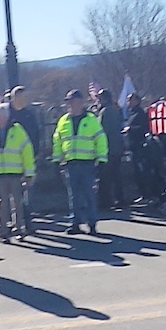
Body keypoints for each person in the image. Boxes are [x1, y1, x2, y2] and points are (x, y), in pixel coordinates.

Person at [0, 102, 36, 242]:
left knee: (17, 202)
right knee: (2, 203)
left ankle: (18, 229)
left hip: (15, 172)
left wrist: (29, 173)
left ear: (5, 117)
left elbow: (27, 152)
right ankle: (2, 232)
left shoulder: (17, 130)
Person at [54, 89, 108, 235]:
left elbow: (101, 139)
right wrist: (56, 159)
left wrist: (101, 159)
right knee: (74, 196)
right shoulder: (63, 121)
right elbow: (58, 141)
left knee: (89, 194)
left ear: (80, 102)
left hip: (87, 163)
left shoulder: (91, 120)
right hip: (70, 163)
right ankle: (75, 223)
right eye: (68, 102)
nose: (70, 105)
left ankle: (92, 223)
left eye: (72, 101)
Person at [8, 86, 45, 236]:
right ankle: (15, 223)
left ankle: (28, 222)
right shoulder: (6, 114)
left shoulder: (29, 115)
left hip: (28, 159)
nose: (25, 100)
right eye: (22, 97)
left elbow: (36, 135)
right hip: (10, 161)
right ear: (14, 98)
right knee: (13, 195)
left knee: (28, 193)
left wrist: (36, 154)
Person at [95, 88, 125, 210]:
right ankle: (121, 199)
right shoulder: (116, 110)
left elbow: (101, 131)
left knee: (105, 177)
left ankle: (106, 202)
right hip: (117, 148)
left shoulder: (104, 112)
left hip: (107, 149)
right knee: (116, 176)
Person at [124, 92, 151, 202]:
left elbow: (144, 128)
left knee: (142, 172)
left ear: (136, 101)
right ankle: (142, 194)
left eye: (130, 100)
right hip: (133, 147)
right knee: (137, 173)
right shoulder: (131, 113)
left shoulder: (140, 113)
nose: (128, 103)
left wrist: (131, 129)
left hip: (140, 147)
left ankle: (147, 195)